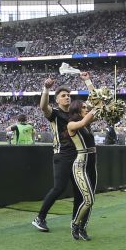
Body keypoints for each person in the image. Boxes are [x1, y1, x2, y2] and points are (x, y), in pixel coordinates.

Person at [32, 72, 92, 233]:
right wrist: (46, 88)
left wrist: (87, 81)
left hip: (78, 156)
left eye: (68, 95)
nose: (67, 97)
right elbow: (43, 106)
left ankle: (75, 222)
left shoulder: (75, 115)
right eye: (63, 95)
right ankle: (40, 218)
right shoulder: (55, 114)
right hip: (62, 155)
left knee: (79, 191)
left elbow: (94, 104)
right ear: (57, 99)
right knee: (58, 188)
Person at [66, 96, 101, 241]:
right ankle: (75, 224)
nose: (87, 109)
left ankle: (83, 228)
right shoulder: (72, 125)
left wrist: (89, 82)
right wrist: (96, 108)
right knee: (88, 200)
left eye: (87, 107)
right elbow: (86, 120)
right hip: (80, 166)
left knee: (90, 200)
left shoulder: (87, 124)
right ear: (77, 109)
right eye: (84, 107)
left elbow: (99, 105)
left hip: (91, 165)